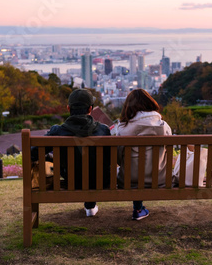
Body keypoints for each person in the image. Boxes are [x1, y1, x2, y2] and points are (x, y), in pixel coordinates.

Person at [31, 89, 111, 216]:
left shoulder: (57, 131)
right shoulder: (103, 130)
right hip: (102, 181)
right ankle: (90, 206)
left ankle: (90, 206)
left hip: (72, 181)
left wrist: (52, 157)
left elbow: (33, 153)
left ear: (68, 108)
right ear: (90, 109)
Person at [116, 89, 172, 220]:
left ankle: (138, 208)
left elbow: (118, 158)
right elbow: (169, 151)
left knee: (132, 170)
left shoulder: (123, 129)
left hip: (128, 180)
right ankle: (139, 209)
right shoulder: (163, 127)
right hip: (159, 179)